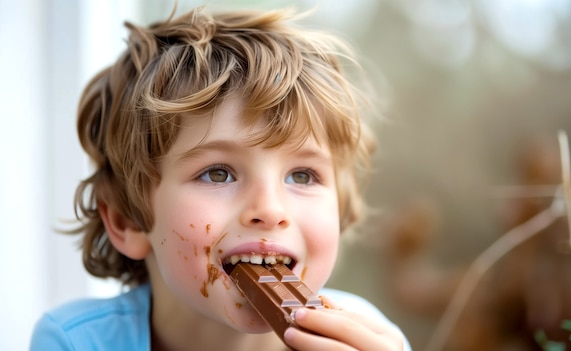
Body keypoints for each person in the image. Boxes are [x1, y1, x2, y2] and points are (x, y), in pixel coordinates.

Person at [30, 5, 411, 351]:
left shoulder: (366, 338)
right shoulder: (75, 341)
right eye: (218, 173)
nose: (270, 210)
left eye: (302, 175)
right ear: (127, 219)